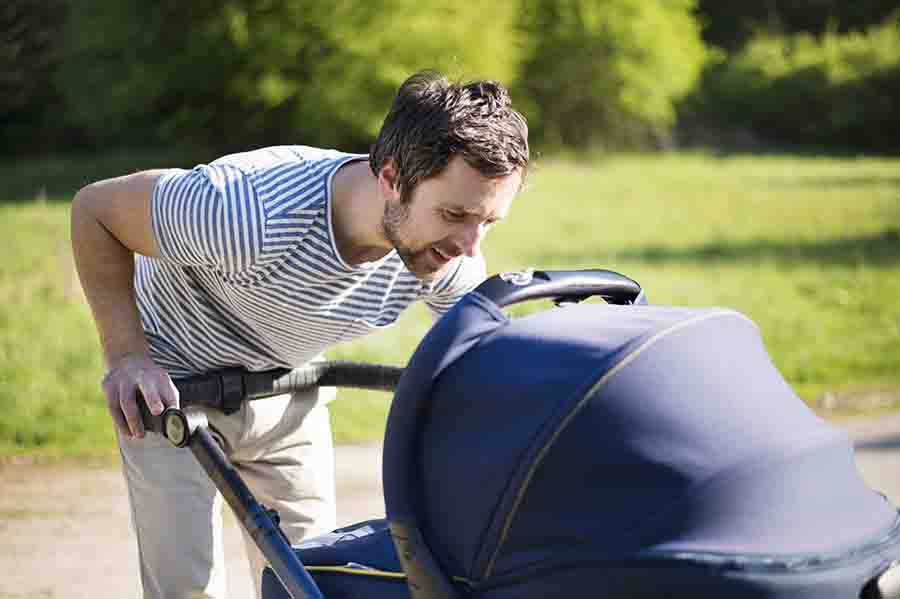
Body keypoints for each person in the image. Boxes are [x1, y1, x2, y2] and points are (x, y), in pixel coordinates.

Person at [70, 70, 530, 598]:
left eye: (488, 222)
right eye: (454, 214)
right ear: (390, 178)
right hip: (175, 389)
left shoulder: (447, 255)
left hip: (289, 389)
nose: (471, 245)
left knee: (313, 585)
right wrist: (126, 356)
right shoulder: (246, 211)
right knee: (188, 588)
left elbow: (487, 355)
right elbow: (95, 211)